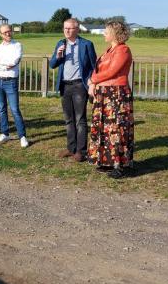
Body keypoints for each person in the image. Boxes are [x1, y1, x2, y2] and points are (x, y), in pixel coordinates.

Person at [87, 21, 134, 179]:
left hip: (116, 94)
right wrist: (94, 82)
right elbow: (101, 69)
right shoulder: (109, 50)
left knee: (116, 128)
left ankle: (120, 165)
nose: (103, 33)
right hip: (104, 94)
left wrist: (93, 79)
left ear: (115, 33)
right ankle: (107, 161)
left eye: (106, 31)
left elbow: (113, 71)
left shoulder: (123, 50)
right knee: (104, 128)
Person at [49, 18, 97, 162]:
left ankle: (81, 151)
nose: (67, 31)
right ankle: (71, 148)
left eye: (70, 28)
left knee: (80, 119)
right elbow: (52, 65)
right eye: (65, 28)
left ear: (77, 29)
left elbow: (94, 66)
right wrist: (58, 56)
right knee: (68, 119)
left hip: (79, 86)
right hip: (65, 85)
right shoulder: (60, 44)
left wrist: (92, 82)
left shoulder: (86, 44)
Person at [0, 23, 28, 148]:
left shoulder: (17, 45)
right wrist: (5, 65)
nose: (8, 33)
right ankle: (4, 133)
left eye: (9, 31)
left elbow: (14, 61)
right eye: (5, 32)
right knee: (1, 109)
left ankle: (22, 136)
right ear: (1, 34)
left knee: (15, 109)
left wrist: (0, 63)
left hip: (10, 82)